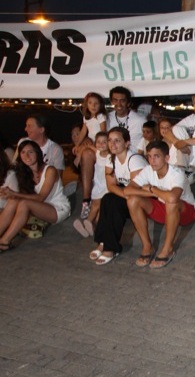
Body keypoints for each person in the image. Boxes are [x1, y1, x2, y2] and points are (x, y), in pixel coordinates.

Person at [0, 140, 71, 254]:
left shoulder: (50, 170)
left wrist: (14, 193)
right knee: (13, 201)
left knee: (23, 202)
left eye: (30, 152)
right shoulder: (24, 173)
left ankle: (4, 242)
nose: (27, 155)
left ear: (38, 153)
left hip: (57, 208)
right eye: (23, 152)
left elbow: (41, 197)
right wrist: (12, 195)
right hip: (39, 208)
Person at [124, 140, 195, 269]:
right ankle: (147, 247)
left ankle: (168, 249)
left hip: (186, 212)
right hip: (163, 208)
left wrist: (152, 189)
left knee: (171, 202)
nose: (152, 160)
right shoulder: (148, 170)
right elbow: (127, 190)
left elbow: (173, 197)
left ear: (167, 158)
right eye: (150, 156)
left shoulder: (176, 173)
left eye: (156, 156)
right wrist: (151, 194)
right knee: (132, 200)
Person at [89, 127, 148, 265]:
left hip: (143, 195)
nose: (112, 144)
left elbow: (135, 188)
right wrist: (123, 194)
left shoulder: (134, 160)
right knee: (107, 198)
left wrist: (124, 194)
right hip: (127, 193)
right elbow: (111, 185)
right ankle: (103, 242)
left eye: (117, 141)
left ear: (127, 143)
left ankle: (111, 248)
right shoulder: (111, 159)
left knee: (115, 202)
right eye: (110, 140)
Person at [73, 92, 106, 221]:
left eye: (96, 103)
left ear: (100, 105)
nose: (93, 106)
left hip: (99, 144)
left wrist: (94, 143)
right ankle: (86, 201)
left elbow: (104, 132)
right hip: (91, 144)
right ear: (86, 105)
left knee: (85, 150)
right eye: (90, 103)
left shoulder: (101, 117)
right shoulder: (86, 118)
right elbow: (83, 131)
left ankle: (89, 202)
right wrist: (77, 144)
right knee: (83, 150)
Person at [72, 131, 109, 238]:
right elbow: (88, 148)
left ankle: (90, 223)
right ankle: (88, 224)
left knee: (99, 208)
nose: (101, 145)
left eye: (104, 142)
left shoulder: (111, 156)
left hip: (106, 187)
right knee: (94, 206)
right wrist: (78, 157)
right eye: (98, 142)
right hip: (98, 186)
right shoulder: (97, 153)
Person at [106, 86, 145, 154]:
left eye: (122, 101)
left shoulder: (140, 120)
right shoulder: (106, 118)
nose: (119, 104)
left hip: (133, 158)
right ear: (111, 102)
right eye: (115, 100)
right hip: (111, 157)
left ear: (128, 102)